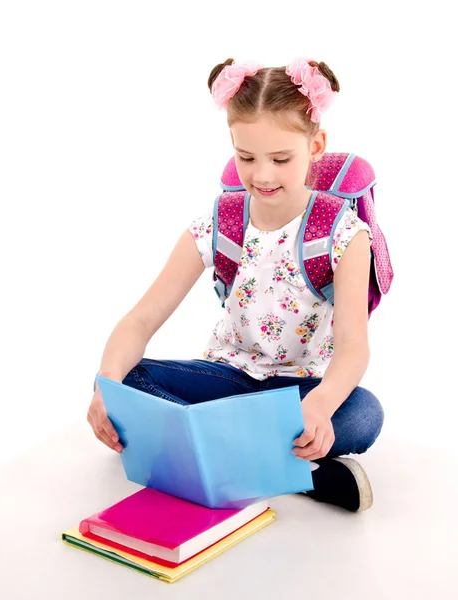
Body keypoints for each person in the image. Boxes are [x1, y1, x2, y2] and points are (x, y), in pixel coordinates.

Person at [87, 57, 384, 513]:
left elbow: (352, 347)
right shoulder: (219, 223)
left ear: (316, 145)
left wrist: (321, 406)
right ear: (232, 144)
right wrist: (107, 386)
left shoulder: (345, 235)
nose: (262, 175)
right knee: (125, 377)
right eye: (246, 157)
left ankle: (197, 452)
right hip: (225, 381)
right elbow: (141, 318)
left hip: (297, 394)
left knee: (363, 415)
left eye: (281, 159)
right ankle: (293, 471)